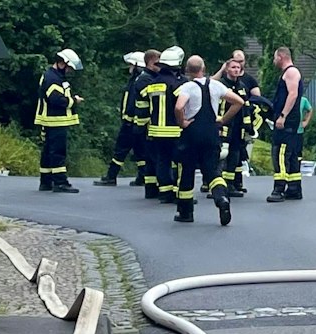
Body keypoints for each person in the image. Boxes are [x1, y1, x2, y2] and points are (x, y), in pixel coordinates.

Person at [173, 54, 244, 225]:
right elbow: (238, 102)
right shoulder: (216, 85)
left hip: (192, 133)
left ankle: (185, 212)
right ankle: (221, 200)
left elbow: (178, 106)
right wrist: (223, 119)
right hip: (212, 133)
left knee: (187, 170)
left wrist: (181, 121)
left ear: (188, 70)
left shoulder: (187, 87)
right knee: (212, 171)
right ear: (203, 69)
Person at [96, 52, 149, 186]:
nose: (129, 67)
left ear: (137, 66)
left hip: (131, 122)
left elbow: (132, 103)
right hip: (135, 123)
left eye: (131, 65)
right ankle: (142, 176)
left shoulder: (138, 81)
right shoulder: (138, 79)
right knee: (139, 151)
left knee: (120, 150)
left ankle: (111, 176)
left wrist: (127, 119)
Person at [35, 48, 83, 192]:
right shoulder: (53, 78)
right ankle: (60, 182)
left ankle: (46, 181)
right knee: (58, 151)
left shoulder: (54, 76)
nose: (69, 71)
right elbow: (56, 99)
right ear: (62, 63)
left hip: (53, 120)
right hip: (55, 120)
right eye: (68, 68)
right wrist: (74, 101)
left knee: (49, 151)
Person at [145, 46, 186, 201]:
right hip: (174, 129)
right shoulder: (176, 85)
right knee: (180, 161)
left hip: (156, 130)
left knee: (162, 160)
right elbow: (181, 105)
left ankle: (165, 192)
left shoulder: (153, 84)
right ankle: (178, 191)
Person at [217, 52, 261, 197]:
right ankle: (218, 185)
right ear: (227, 69)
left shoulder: (242, 86)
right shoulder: (221, 85)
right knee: (221, 155)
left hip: (238, 127)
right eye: (233, 67)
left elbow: (246, 106)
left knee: (235, 156)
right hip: (224, 126)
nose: (236, 69)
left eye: (238, 67)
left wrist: (248, 126)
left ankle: (230, 185)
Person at [267, 46, 305, 203]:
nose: (274, 60)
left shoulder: (290, 72)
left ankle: (279, 189)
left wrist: (283, 116)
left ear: (281, 56)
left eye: (275, 57)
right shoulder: (290, 72)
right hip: (290, 120)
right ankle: (294, 189)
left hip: (287, 120)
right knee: (292, 154)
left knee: (281, 154)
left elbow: (293, 94)